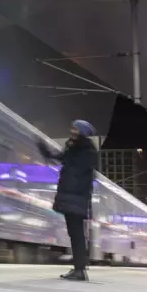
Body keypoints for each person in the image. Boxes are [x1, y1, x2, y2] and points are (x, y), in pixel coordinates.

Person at [38, 120, 98, 281]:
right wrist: (42, 146)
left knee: (77, 234)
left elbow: (80, 174)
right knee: (75, 234)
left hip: (75, 196)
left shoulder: (85, 150)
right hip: (72, 196)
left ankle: (80, 270)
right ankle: (79, 269)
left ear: (82, 132)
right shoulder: (75, 148)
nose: (71, 130)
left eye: (75, 128)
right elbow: (55, 157)